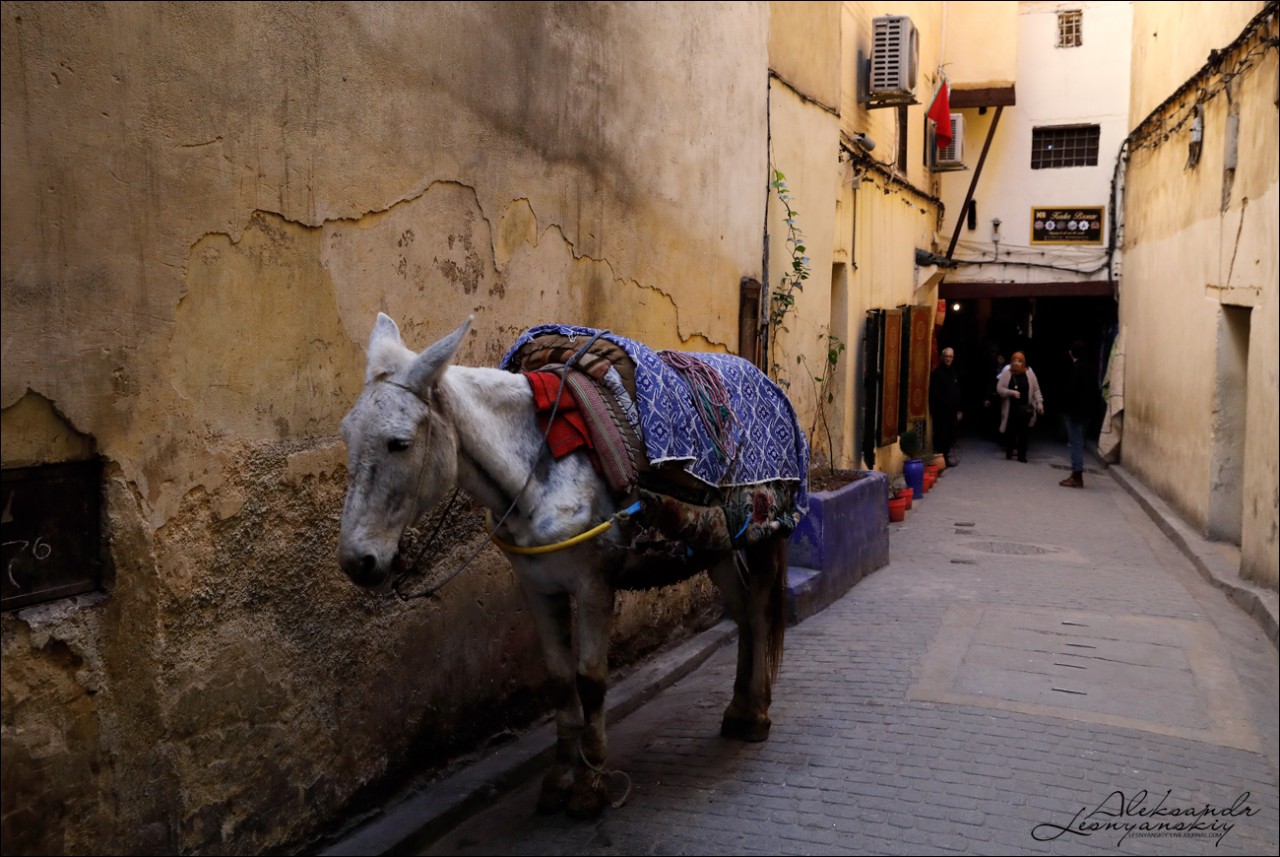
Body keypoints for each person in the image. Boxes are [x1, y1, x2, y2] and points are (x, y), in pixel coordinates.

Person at [1059, 340, 1097, 488]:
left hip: (1075, 413)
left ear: (1071, 353)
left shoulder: (1076, 369)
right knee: (1078, 441)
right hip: (1087, 413)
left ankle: (1077, 475)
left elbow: (1071, 392)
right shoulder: (1090, 368)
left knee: (1075, 443)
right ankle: (1076, 473)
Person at [996, 351, 1043, 462]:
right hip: (1011, 408)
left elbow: (1036, 390)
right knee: (1011, 430)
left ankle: (1022, 455)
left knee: (1024, 432)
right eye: (1015, 361)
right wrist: (1010, 392)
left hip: (1025, 408)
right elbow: (999, 388)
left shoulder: (1030, 374)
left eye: (1019, 361)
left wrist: (1040, 403)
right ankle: (1009, 451)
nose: (1017, 363)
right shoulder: (1007, 373)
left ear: (1023, 362)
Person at [929, 347, 963, 467]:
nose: (948, 359)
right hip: (941, 411)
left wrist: (959, 409)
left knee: (949, 435)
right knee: (941, 435)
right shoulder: (937, 373)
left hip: (952, 411)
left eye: (950, 357)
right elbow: (935, 394)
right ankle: (940, 459)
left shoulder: (953, 372)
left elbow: (957, 391)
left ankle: (946, 457)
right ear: (942, 358)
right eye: (946, 356)